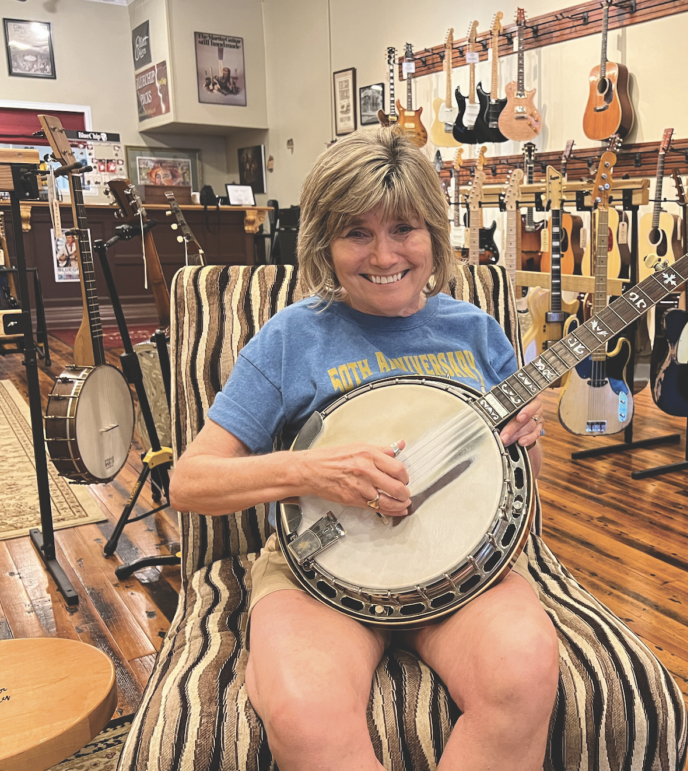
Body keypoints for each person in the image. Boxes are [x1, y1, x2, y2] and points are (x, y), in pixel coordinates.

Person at [169, 127, 559, 771]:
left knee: (522, 674)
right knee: (306, 715)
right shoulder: (292, 337)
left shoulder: (475, 331)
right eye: (357, 233)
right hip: (319, 570)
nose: (383, 256)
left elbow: (523, 478)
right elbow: (189, 483)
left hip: (467, 570)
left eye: (403, 229)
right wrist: (309, 469)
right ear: (326, 244)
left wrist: (530, 435)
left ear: (434, 234)